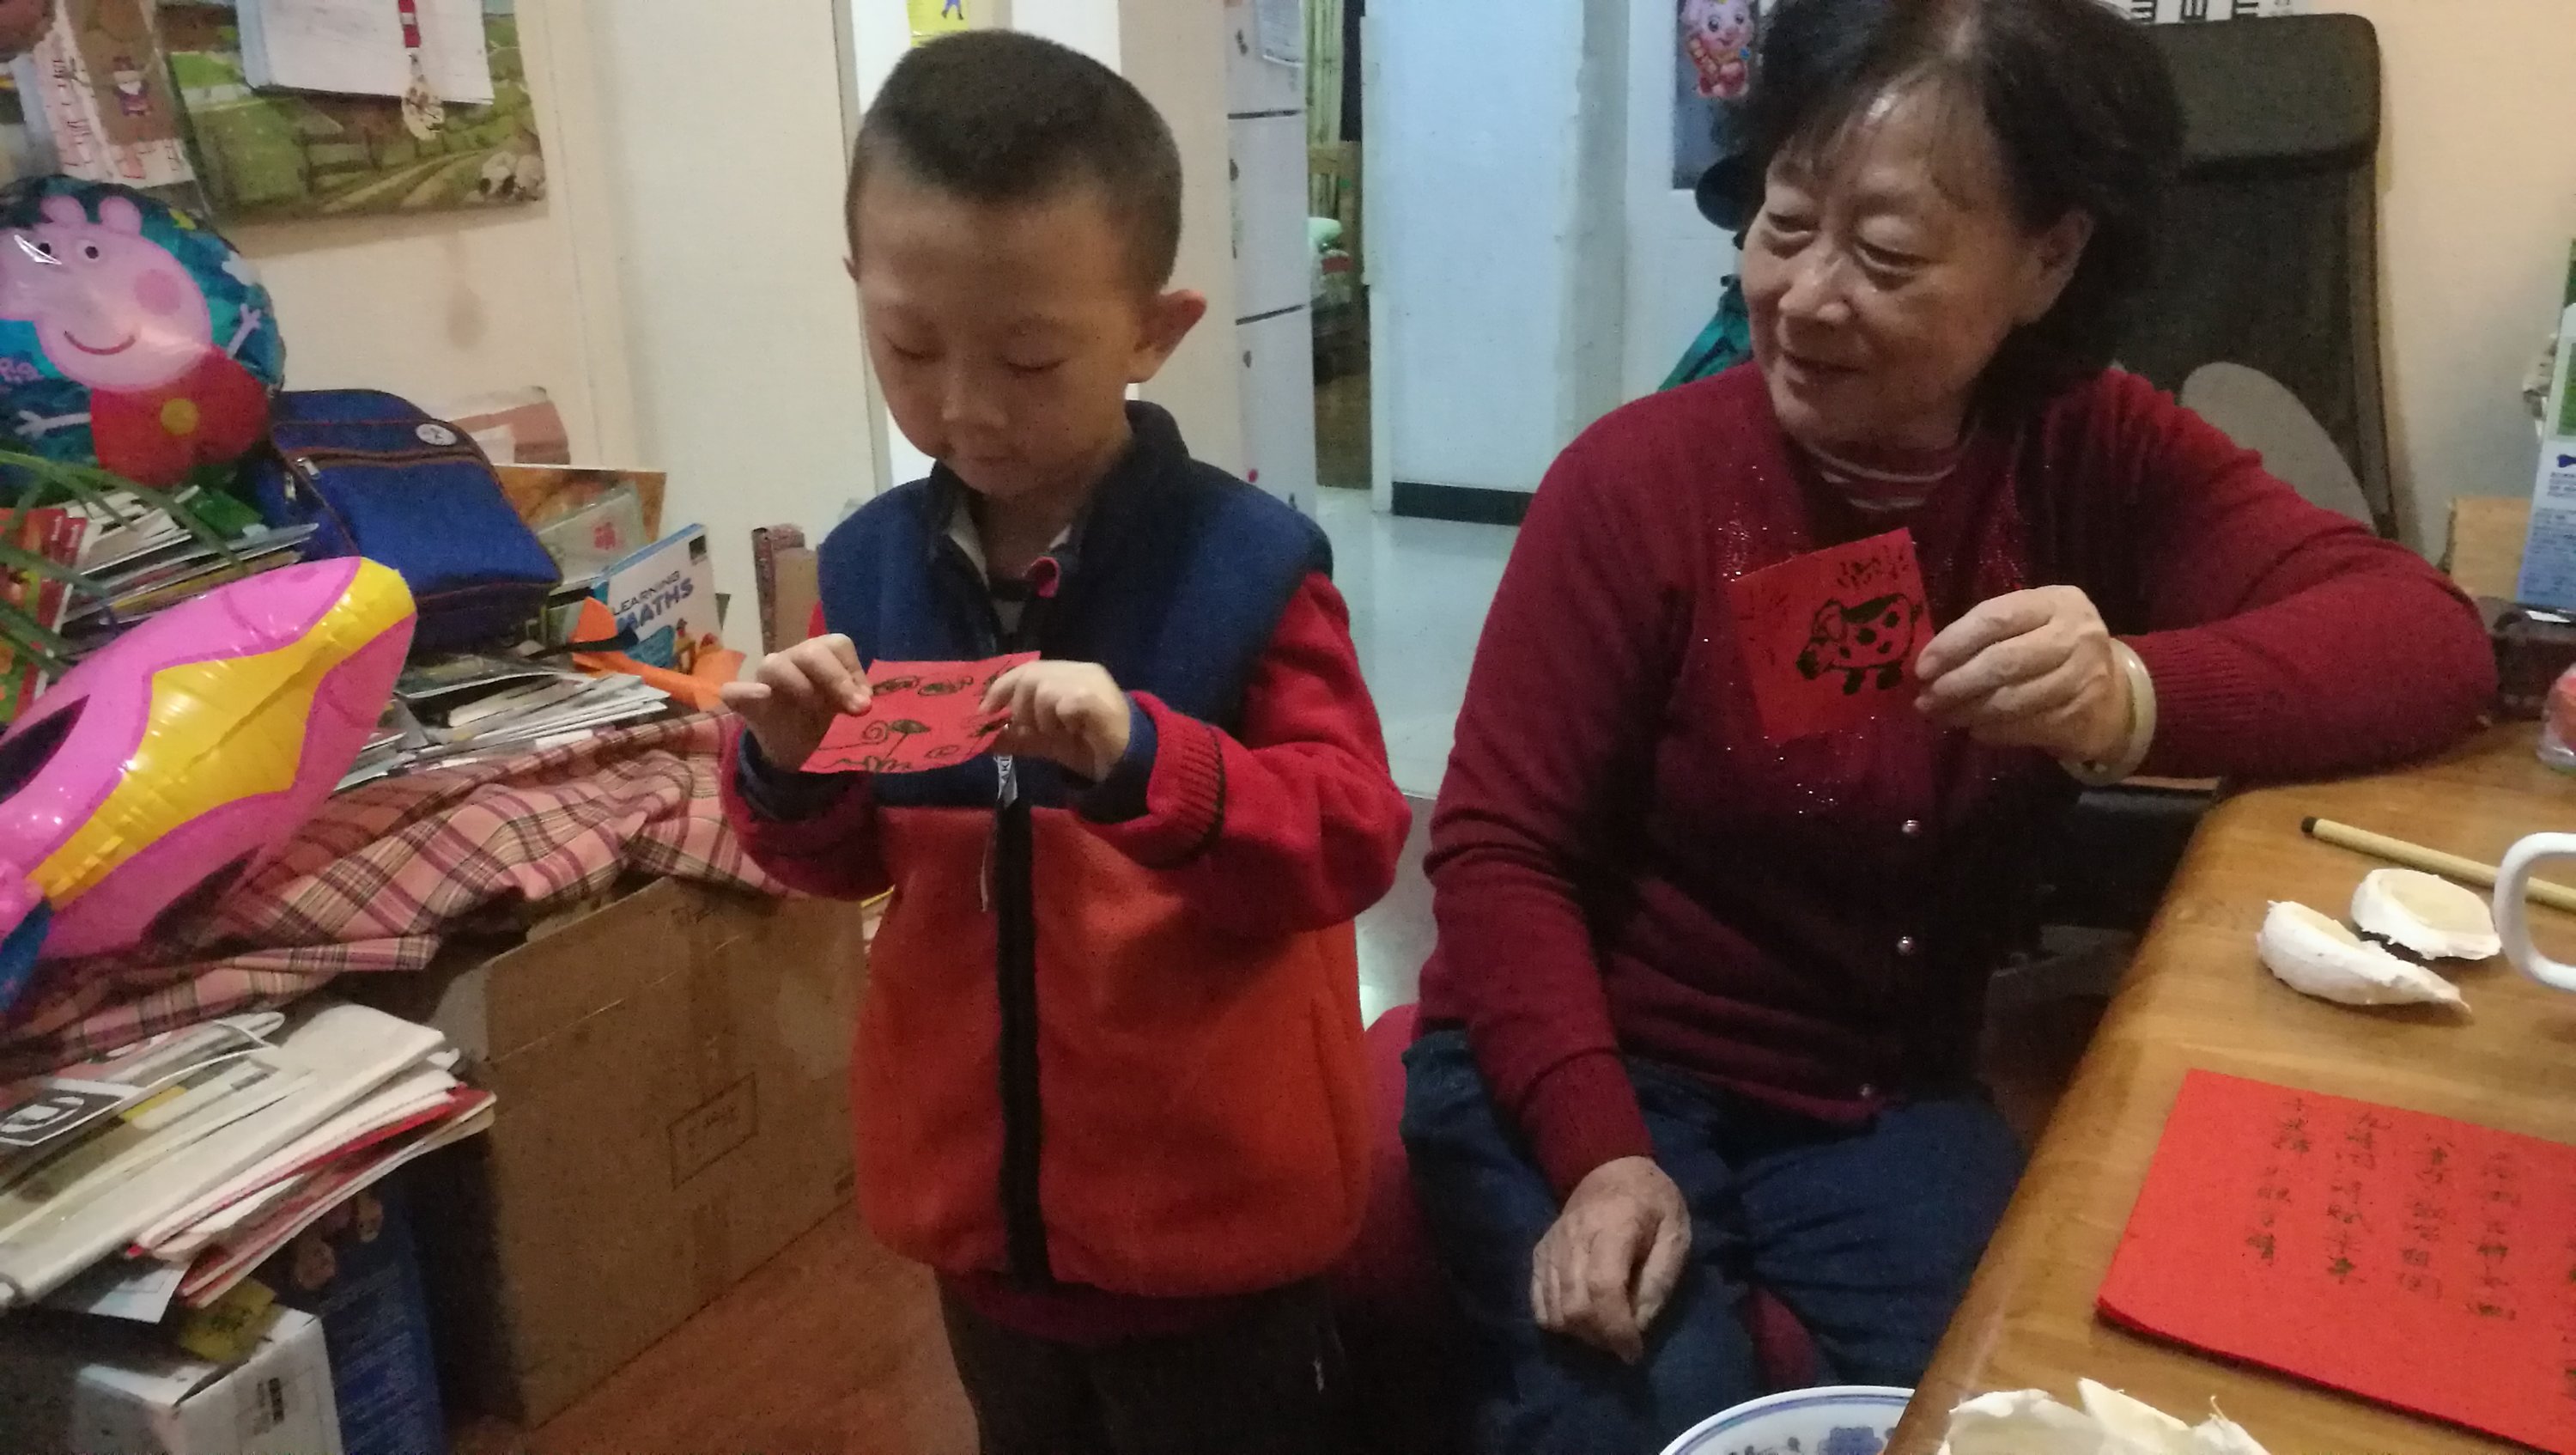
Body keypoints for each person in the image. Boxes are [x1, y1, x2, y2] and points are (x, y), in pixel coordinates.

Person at [1400, 0, 2497, 1448]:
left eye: (1886, 254)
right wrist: (1601, 1148)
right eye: (1786, 222)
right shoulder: (1639, 482)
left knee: (2020, 1398)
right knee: (1649, 1411)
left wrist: (2135, 694)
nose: (1804, 297)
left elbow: (2424, 637)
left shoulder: (2088, 450)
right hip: (1594, 1051)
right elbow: (1498, 852)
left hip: (1874, 1088)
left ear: (2049, 259)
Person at [719, 32, 1411, 1455]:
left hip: (1218, 1227)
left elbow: (1349, 836)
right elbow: (841, 867)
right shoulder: (869, 566)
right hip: (981, 1223)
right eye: (910, 347)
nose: (966, 406)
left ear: (1156, 329)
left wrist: (1151, 762)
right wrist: (787, 765)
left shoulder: (1247, 565)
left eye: (1030, 357)